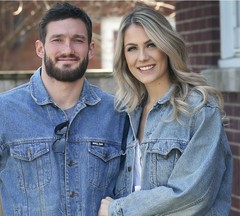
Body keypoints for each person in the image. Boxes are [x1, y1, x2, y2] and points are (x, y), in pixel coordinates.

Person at [0, 2, 127, 216]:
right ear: (40, 48)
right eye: (57, 40)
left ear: (90, 49)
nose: (68, 49)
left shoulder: (117, 114)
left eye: (78, 40)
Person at [98, 6, 233, 216]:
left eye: (151, 44)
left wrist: (117, 209)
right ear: (123, 57)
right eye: (132, 48)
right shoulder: (126, 113)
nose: (142, 57)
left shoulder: (199, 109)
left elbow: (192, 195)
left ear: (166, 46)